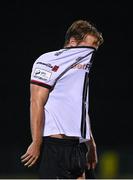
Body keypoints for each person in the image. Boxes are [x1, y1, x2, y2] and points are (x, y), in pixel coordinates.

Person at [21, 19, 104, 179]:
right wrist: (36, 141)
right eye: (91, 45)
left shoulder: (82, 72)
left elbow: (81, 109)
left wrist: (91, 145)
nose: (93, 51)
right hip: (54, 147)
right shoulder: (48, 60)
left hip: (78, 147)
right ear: (73, 42)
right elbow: (36, 101)